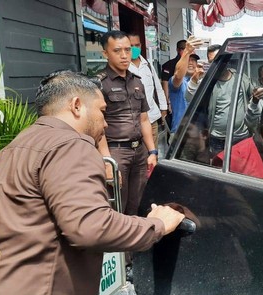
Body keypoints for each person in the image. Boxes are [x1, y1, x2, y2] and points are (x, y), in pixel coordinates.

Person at [0, 70, 185, 295]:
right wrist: (157, 225)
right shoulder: (71, 146)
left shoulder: (14, 147)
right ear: (76, 105)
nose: (105, 124)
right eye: (103, 112)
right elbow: (91, 226)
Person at [96, 30, 159, 276]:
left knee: (136, 205)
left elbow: (144, 119)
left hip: (139, 153)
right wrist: (106, 160)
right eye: (117, 51)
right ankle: (115, 264)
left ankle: (130, 262)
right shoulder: (98, 83)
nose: (124, 55)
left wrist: (152, 149)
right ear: (105, 53)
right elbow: (96, 125)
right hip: (116, 153)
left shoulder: (136, 81)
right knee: (115, 210)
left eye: (127, 50)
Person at [128, 32, 169, 147]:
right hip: (133, 122)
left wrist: (163, 108)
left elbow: (158, 88)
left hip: (152, 118)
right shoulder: (124, 67)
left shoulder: (148, 65)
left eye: (137, 45)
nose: (134, 48)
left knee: (153, 154)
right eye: (131, 46)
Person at [208, 62, 254, 156]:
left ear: (226, 60)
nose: (216, 64)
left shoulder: (240, 78)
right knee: (217, 168)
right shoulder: (209, 83)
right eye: (212, 61)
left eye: (218, 60)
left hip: (241, 136)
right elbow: (189, 97)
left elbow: (253, 96)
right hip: (218, 138)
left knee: (241, 168)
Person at [169, 36, 205, 134]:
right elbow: (178, 75)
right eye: (188, 60)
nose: (190, 63)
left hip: (199, 133)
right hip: (180, 133)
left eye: (193, 60)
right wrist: (187, 52)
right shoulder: (177, 81)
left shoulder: (201, 81)